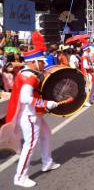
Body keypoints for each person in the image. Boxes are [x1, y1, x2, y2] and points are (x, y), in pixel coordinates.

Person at [0, 36, 61, 188]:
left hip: (32, 113)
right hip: (30, 115)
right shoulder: (30, 77)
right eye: (41, 62)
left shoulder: (24, 73)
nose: (43, 64)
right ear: (33, 62)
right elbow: (25, 98)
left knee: (46, 134)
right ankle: (20, 176)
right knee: (30, 145)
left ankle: (47, 162)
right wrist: (47, 103)